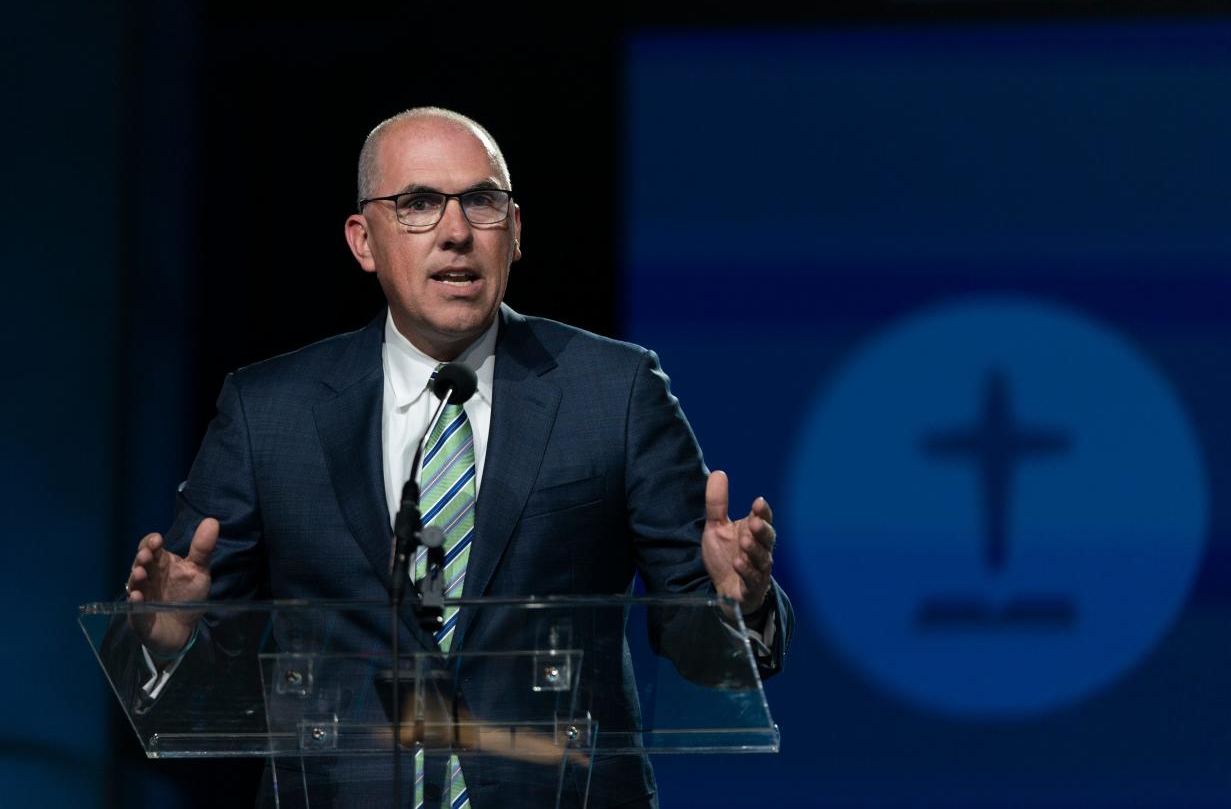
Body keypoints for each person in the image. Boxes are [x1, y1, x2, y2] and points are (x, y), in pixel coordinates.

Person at [122, 107, 793, 808]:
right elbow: (191, 656)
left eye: (482, 201)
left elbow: (700, 644)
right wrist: (170, 641)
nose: (456, 232)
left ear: (516, 232)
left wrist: (733, 606)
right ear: (363, 241)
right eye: (417, 204)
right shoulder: (270, 409)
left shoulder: (615, 391)